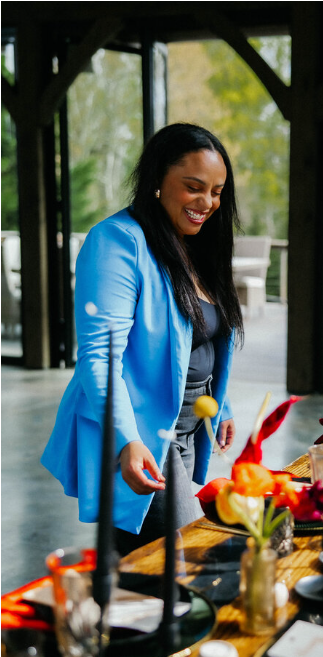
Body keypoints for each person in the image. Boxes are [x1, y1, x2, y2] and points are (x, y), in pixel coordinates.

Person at [41, 123, 244, 555]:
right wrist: (126, 439)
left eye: (216, 192)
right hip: (140, 427)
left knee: (154, 562)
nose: (207, 203)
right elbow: (99, 356)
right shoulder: (117, 241)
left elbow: (200, 338)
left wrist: (220, 404)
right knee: (179, 559)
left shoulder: (194, 244)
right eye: (194, 187)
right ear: (157, 180)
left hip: (189, 426)